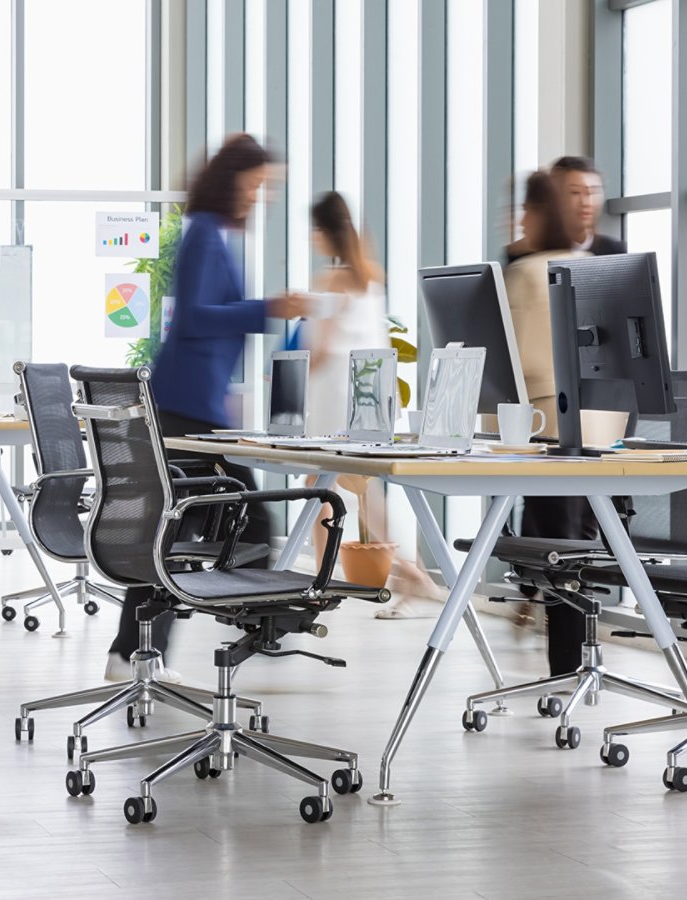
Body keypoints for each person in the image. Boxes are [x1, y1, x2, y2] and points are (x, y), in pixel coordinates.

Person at [103, 134, 309, 682]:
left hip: (199, 407)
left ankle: (135, 652)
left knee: (180, 531)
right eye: (255, 185)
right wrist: (267, 307)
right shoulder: (201, 235)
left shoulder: (213, 235)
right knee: (221, 522)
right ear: (231, 180)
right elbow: (193, 317)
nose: (258, 197)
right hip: (182, 410)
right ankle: (247, 627)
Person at [300, 191, 446, 619]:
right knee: (359, 491)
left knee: (320, 488)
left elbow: (322, 346)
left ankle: (327, 585)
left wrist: (289, 378)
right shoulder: (371, 275)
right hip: (368, 395)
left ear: (324, 233)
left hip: (334, 397)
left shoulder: (329, 282)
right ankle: (408, 575)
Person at [502, 170, 623, 678]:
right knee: (571, 541)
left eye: (524, 212)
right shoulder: (591, 265)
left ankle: (565, 670)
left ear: (536, 214)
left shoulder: (528, 271)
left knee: (559, 546)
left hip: (551, 428)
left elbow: (517, 361)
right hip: (599, 430)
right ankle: (570, 663)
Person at [506, 155, 626, 263]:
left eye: (593, 192)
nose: (586, 202)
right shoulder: (522, 255)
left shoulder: (615, 251)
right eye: (575, 192)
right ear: (555, 197)